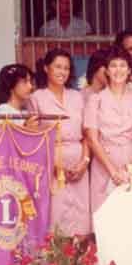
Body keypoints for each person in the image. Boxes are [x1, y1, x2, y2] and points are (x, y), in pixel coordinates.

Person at [29, 48, 91, 238]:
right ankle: (56, 258)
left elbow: (86, 134)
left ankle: (80, 258)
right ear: (46, 68)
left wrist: (84, 163)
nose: (62, 72)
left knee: (81, 221)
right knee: (56, 220)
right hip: (52, 165)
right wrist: (57, 167)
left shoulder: (77, 96)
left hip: (78, 164)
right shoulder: (37, 97)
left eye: (66, 68)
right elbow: (34, 138)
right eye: (58, 67)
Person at [85, 48, 132, 213]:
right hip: (105, 163)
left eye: (122, 65)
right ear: (106, 70)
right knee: (105, 215)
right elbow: (92, 139)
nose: (118, 70)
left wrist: (131, 167)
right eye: (113, 65)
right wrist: (113, 171)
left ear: (129, 70)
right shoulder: (95, 100)